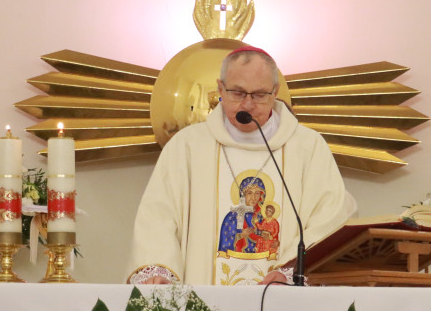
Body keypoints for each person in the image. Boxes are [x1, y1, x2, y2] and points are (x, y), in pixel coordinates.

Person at [127, 46, 353, 286]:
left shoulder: (307, 146)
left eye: (259, 94)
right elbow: (158, 216)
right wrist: (161, 270)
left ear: (275, 92)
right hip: (198, 300)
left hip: (283, 298)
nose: (247, 104)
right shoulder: (187, 146)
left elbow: (330, 216)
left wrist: (291, 272)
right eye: (237, 93)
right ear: (220, 88)